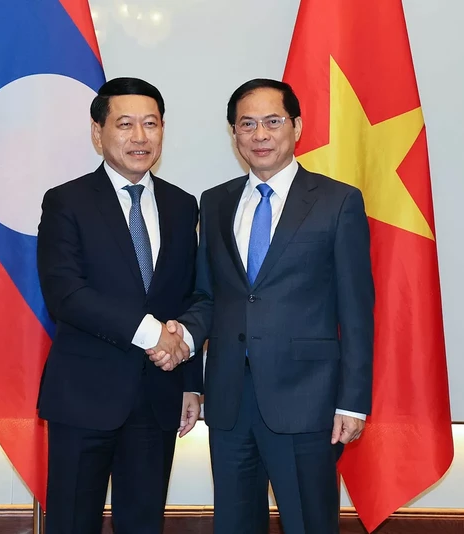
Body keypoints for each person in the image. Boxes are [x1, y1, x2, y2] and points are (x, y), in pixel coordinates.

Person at [154, 79, 375, 534]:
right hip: (230, 400)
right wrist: (190, 381)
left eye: (272, 122)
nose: (260, 134)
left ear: (296, 126)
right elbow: (206, 297)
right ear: (233, 134)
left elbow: (356, 309)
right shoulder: (215, 203)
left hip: (308, 400)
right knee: (234, 524)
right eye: (247, 124)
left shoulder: (338, 201)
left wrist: (353, 401)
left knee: (309, 524)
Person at [36, 77, 202, 534]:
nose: (140, 137)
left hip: (158, 397)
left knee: (144, 523)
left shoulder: (182, 204)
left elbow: (190, 295)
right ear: (97, 132)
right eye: (125, 124)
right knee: (71, 522)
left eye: (151, 124)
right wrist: (152, 334)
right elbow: (65, 294)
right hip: (84, 396)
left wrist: (190, 380)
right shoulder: (66, 201)